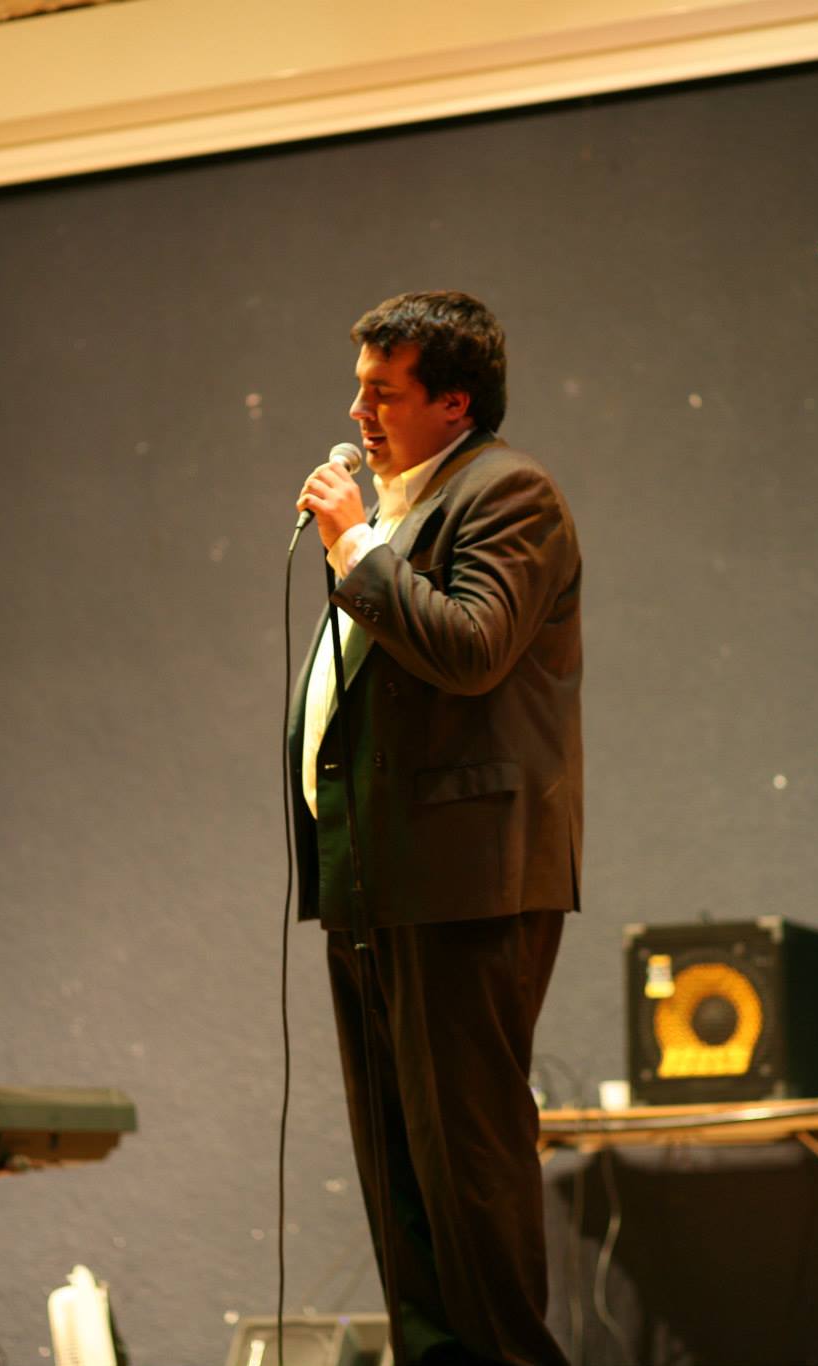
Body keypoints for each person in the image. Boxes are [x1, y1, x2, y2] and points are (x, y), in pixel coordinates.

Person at [289, 291, 580, 1366]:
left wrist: (355, 547)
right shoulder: (402, 510)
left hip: (463, 883)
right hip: (372, 880)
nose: (358, 411)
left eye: (384, 391)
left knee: (466, 1163)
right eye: (358, 387)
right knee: (399, 1171)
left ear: (454, 402)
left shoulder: (507, 492)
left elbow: (470, 646)